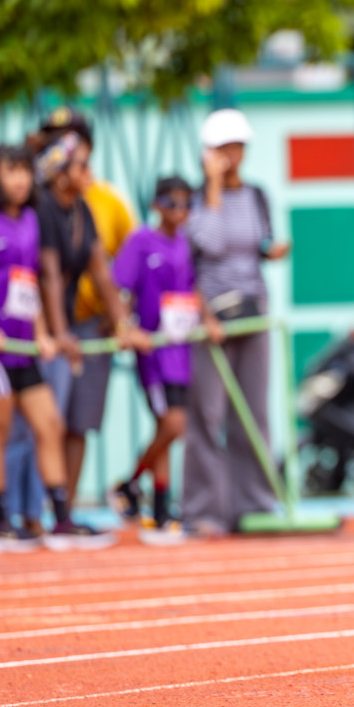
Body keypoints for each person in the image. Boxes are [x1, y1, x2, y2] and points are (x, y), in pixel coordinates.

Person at [0, 144, 107, 552]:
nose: (18, 180)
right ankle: (0, 523)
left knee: (49, 423)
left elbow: (27, 283)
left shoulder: (32, 220)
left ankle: (61, 519)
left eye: (22, 171)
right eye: (9, 171)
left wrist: (42, 334)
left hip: (23, 349)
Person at [185, 108, 289, 534]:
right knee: (207, 413)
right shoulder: (194, 200)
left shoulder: (257, 195)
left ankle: (257, 504)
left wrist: (271, 251)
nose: (232, 155)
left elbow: (255, 245)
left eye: (237, 147)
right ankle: (205, 509)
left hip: (252, 313)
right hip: (209, 319)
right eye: (224, 148)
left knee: (253, 413)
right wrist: (212, 187)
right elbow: (208, 244)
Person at [32, 131, 149, 513]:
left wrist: (122, 324)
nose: (89, 172)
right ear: (60, 172)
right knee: (49, 421)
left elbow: (102, 271)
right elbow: (48, 274)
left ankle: (63, 510)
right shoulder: (46, 209)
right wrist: (60, 332)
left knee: (80, 421)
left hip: (83, 326)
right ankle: (32, 511)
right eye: (81, 165)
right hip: (49, 328)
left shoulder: (84, 210)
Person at [110, 176, 225, 543]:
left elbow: (192, 288)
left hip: (181, 351)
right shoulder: (141, 242)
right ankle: (130, 484)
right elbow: (119, 287)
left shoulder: (185, 244)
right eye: (171, 203)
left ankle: (159, 507)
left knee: (168, 427)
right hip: (154, 353)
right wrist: (126, 327)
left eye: (187, 204)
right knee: (173, 425)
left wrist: (208, 318)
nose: (180, 211)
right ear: (157, 204)